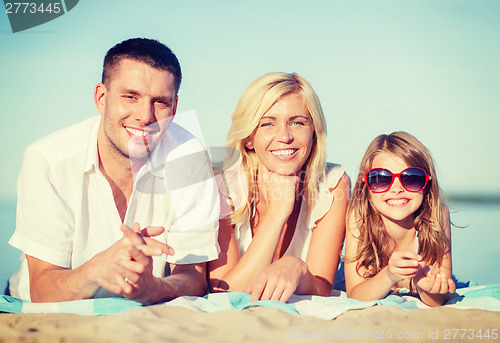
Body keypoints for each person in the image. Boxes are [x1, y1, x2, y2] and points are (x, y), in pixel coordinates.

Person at [8, 38, 220, 304]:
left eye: (160, 102)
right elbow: (41, 288)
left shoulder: (190, 157)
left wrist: (155, 288)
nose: (145, 116)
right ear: (101, 97)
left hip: (142, 307)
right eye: (130, 97)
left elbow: (193, 276)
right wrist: (98, 268)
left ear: (174, 108)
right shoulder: (48, 159)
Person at [209, 72, 350, 302]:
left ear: (313, 132)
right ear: (248, 138)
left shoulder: (333, 185)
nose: (284, 136)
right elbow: (225, 292)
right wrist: (277, 214)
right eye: (267, 124)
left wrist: (296, 268)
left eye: (297, 122)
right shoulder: (221, 184)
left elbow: (322, 287)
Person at [344, 132, 455, 307]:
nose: (396, 188)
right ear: (367, 186)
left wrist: (426, 287)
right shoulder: (360, 218)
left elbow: (440, 300)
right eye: (381, 178)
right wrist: (389, 275)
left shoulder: (437, 215)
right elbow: (355, 295)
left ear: (427, 183)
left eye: (411, 178)